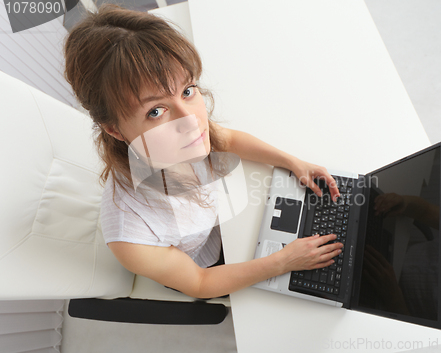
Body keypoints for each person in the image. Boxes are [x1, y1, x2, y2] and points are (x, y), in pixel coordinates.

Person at [63, 4, 344, 299]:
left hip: (224, 224)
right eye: (156, 111)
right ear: (115, 130)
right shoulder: (130, 233)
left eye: (187, 90)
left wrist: (292, 161)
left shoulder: (182, 134)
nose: (191, 120)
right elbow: (199, 283)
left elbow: (227, 139)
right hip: (208, 265)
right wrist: (282, 262)